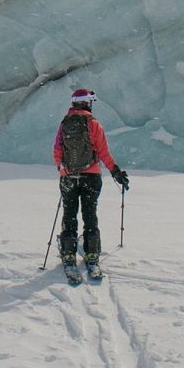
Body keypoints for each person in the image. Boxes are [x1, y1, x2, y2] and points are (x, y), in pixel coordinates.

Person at [53, 89, 129, 274]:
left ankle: (68, 253)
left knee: (69, 215)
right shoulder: (94, 124)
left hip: (69, 177)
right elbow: (103, 152)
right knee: (89, 215)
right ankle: (92, 253)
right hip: (91, 177)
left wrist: (64, 171)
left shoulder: (65, 124)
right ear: (87, 103)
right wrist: (116, 172)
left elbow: (57, 151)